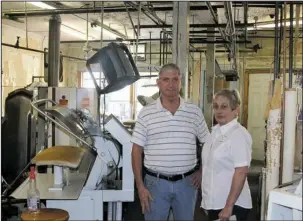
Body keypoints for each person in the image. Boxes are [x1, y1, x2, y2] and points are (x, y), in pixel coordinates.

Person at [131, 63, 209, 220]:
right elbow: (136, 151)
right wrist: (140, 186)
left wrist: (202, 171)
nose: (171, 84)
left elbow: (207, 143)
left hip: (187, 184)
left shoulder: (194, 112)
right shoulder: (146, 114)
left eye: (175, 79)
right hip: (155, 184)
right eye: (166, 80)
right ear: (158, 83)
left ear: (181, 82)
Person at [201, 89, 253, 221]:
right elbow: (209, 167)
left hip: (232, 205)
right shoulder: (214, 132)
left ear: (236, 110)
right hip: (216, 203)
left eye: (224, 106)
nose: (219, 111)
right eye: (216, 106)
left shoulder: (238, 134)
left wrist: (228, 206)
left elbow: (241, 172)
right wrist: (208, 202)